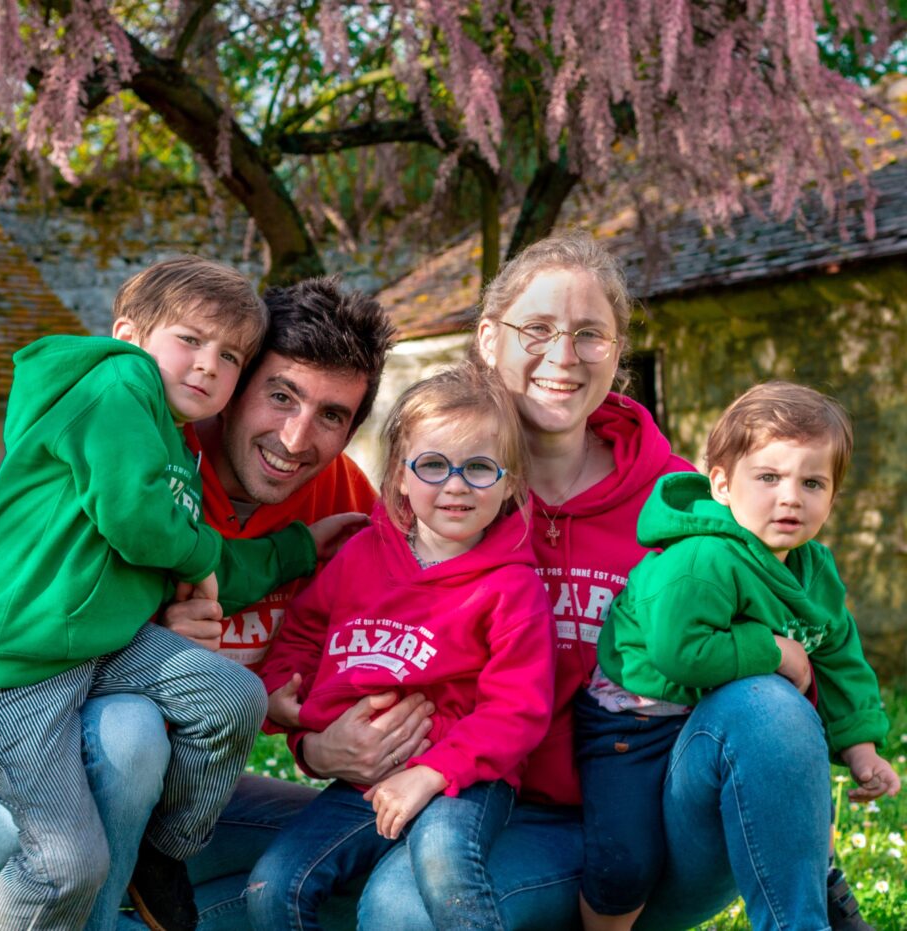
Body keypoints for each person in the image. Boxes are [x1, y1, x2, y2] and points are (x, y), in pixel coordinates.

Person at [351, 231, 851, 931]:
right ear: (490, 338)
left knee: (764, 703)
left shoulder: (684, 504)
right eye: (539, 329)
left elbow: (801, 653)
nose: (564, 355)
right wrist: (317, 736)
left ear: (616, 353)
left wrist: (787, 658)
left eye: (590, 333)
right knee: (400, 908)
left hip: (668, 810)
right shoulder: (440, 497)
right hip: (502, 820)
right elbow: (359, 644)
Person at [0, 274, 397, 931]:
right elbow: (120, 547)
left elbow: (359, 658)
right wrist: (159, 618)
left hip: (159, 790)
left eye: (332, 415)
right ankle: (78, 896)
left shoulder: (341, 500)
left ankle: (145, 892)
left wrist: (318, 738)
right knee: (130, 731)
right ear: (235, 389)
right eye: (280, 395)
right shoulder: (146, 433)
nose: (294, 437)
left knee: (352, 850)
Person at [245, 363, 558, 930]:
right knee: (273, 886)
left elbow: (519, 709)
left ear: (511, 482)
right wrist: (280, 692)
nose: (456, 485)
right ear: (401, 476)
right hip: (362, 783)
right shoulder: (362, 556)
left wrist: (432, 772)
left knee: (442, 858)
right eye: (434, 466)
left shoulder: (511, 586)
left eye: (480, 468)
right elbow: (302, 633)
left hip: (463, 781)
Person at [577, 381, 899, 931]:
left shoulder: (814, 569)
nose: (791, 497)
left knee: (795, 769)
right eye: (769, 477)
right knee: (624, 861)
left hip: (712, 722)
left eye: (813, 482)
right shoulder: (702, 557)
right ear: (722, 484)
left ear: (832, 497)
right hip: (633, 726)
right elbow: (681, 653)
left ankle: (816, 889)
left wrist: (861, 745)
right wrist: (773, 652)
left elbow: (839, 656)